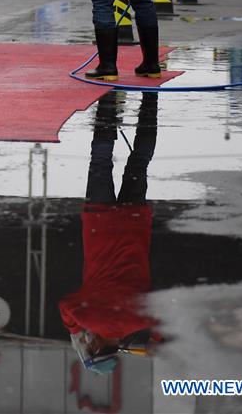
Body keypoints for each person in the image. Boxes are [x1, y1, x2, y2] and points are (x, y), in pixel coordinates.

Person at [60, 92, 162, 374]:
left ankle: (151, 100)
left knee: (139, 162)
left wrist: (151, 341)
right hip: (99, 225)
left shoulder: (141, 319)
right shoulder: (87, 317)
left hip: (134, 225)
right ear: (94, 348)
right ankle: (108, 99)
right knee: (100, 160)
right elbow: (65, 306)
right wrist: (76, 330)